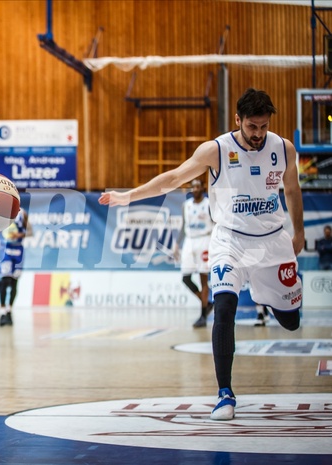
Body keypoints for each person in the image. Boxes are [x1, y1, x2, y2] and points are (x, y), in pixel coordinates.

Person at [99, 88, 304, 422]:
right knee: (223, 308)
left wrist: (299, 231)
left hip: (272, 241)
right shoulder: (216, 150)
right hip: (230, 242)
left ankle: (269, 294)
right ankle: (225, 393)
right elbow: (174, 178)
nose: (258, 134)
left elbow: (293, 190)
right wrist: (129, 196)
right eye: (252, 127)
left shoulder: (283, 148)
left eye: (263, 127)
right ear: (237, 120)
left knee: (292, 323)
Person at [173, 178, 214, 328]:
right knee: (186, 278)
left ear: (203, 188)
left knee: (203, 278)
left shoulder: (209, 204)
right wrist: (176, 244)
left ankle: (202, 315)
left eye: (198, 186)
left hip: (205, 240)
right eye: (193, 187)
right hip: (190, 241)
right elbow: (183, 226)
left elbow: (215, 223)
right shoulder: (187, 205)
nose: (195, 189)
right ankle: (207, 303)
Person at [0, 207, 32, 326]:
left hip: (18, 251)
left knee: (14, 282)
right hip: (5, 250)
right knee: (4, 280)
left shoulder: (23, 213)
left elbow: (30, 232)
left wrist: (20, 234)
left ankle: (9, 311)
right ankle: (1, 312)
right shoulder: (0, 211)